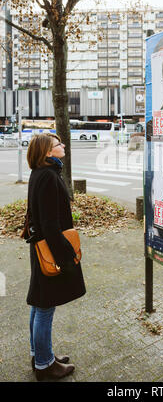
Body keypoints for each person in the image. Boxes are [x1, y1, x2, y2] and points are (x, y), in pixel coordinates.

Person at [24, 133, 86, 381]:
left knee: (39, 303)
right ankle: (44, 366)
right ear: (48, 152)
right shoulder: (48, 177)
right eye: (57, 144)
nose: (63, 145)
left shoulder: (41, 172)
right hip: (50, 250)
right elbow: (50, 224)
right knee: (45, 307)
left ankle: (40, 354)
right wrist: (66, 258)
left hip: (41, 247)